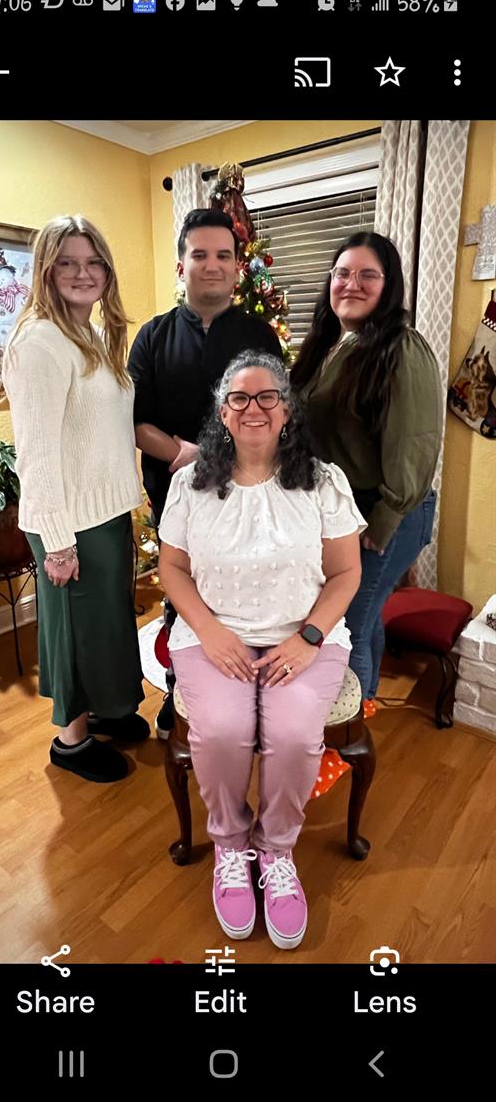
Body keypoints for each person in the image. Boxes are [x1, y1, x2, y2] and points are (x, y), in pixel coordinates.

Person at [157, 351, 365, 949]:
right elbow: (171, 566)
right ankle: (229, 843)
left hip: (303, 635)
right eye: (240, 398)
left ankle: (275, 853)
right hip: (212, 633)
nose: (254, 408)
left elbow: (346, 574)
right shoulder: (190, 484)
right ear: (223, 412)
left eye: (268, 396)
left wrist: (308, 638)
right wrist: (210, 630)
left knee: (296, 735)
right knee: (221, 730)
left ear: (287, 408)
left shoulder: (324, 481)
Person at [2, 214, 148, 783]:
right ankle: (71, 740)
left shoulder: (88, 334)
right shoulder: (39, 342)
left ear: (107, 272)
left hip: (104, 512)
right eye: (67, 262)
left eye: (92, 262)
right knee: (74, 629)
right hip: (68, 520)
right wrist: (57, 543)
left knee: (105, 623)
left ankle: (108, 712)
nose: (82, 273)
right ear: (45, 269)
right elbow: (35, 455)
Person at [128, 207, 283, 739]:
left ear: (238, 266)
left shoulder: (259, 333)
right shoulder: (151, 337)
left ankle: (250, 695)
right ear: (181, 265)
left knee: (242, 594)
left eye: (223, 255)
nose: (212, 265)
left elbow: (274, 409)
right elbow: (133, 419)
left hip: (249, 495)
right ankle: (182, 695)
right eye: (200, 255)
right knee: (181, 600)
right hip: (175, 496)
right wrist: (181, 454)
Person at [290, 231, 443, 715]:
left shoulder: (401, 347)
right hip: (342, 511)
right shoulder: (329, 345)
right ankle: (365, 706)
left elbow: (415, 441)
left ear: (388, 285)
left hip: (387, 509)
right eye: (342, 273)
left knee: (348, 622)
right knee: (366, 612)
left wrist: (385, 515)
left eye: (367, 275)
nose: (350, 284)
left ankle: (345, 728)